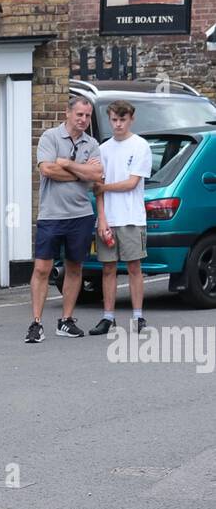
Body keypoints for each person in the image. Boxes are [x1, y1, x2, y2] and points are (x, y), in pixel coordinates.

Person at [26, 95, 104, 343]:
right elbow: (47, 169)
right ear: (68, 114)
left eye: (88, 115)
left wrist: (66, 164)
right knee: (42, 268)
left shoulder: (92, 144)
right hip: (51, 215)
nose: (83, 119)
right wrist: (81, 171)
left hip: (81, 216)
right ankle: (36, 323)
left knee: (74, 267)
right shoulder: (50, 137)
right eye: (79, 114)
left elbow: (97, 175)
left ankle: (66, 321)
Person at [88, 101, 152, 336]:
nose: (118, 124)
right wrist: (102, 219)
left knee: (134, 267)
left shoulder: (141, 146)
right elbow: (97, 188)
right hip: (110, 218)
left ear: (131, 119)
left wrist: (104, 187)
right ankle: (108, 317)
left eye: (122, 120)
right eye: (114, 120)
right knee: (108, 269)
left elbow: (131, 183)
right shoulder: (103, 149)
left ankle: (138, 316)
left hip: (132, 217)